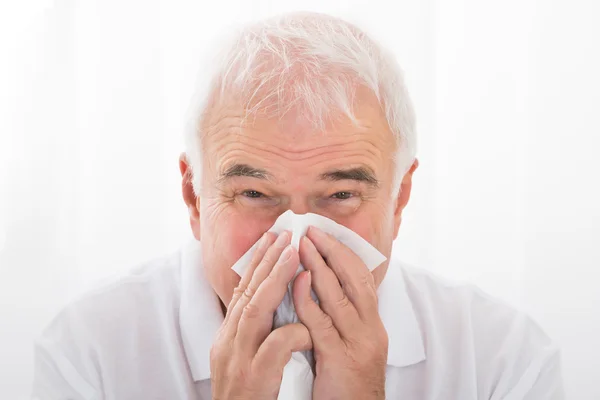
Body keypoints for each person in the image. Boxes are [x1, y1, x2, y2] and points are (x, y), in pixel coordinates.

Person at [32, 11, 564, 400]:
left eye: (340, 196)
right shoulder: (89, 354)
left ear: (399, 199)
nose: (296, 239)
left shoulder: (502, 361)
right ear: (194, 197)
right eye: (256, 195)